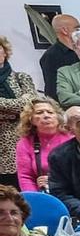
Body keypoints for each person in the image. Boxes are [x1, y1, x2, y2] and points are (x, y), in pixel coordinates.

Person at [0, 39, 42, 189]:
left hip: (23, 137)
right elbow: (20, 105)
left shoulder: (21, 78)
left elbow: (29, 104)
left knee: (26, 186)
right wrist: (16, 109)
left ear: (5, 52)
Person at [14, 95, 70, 194]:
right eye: (39, 112)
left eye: (50, 112)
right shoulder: (24, 143)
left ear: (58, 116)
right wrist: (37, 199)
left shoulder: (71, 137)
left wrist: (53, 180)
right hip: (43, 195)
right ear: (31, 119)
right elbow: (25, 177)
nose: (46, 115)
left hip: (72, 193)